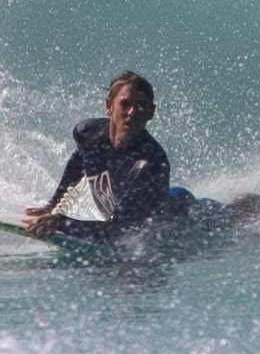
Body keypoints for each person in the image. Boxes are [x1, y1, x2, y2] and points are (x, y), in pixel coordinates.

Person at [23, 70, 189, 240]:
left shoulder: (150, 164)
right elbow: (79, 160)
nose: (132, 112)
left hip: (184, 214)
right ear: (109, 106)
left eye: (140, 105)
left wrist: (60, 223)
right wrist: (53, 205)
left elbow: (120, 231)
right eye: (125, 104)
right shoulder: (88, 134)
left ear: (150, 112)